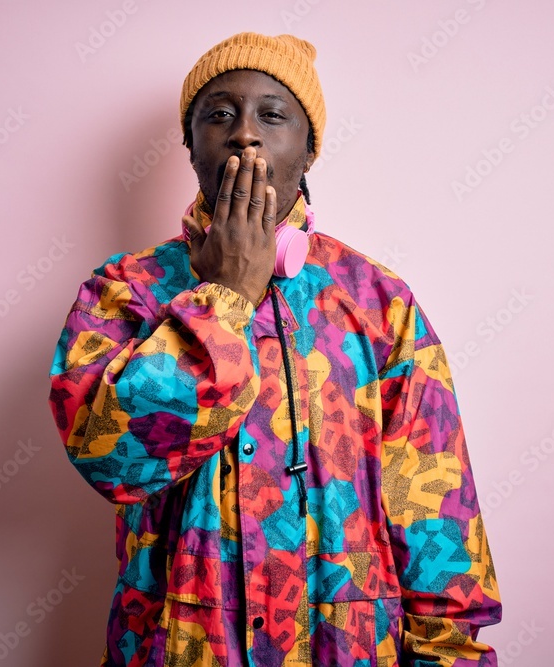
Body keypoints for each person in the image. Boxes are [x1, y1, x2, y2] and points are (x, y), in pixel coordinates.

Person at [48, 31, 501, 667]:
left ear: (309, 148)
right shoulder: (125, 293)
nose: (244, 134)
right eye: (219, 114)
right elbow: (109, 458)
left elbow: (436, 515)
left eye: (272, 114)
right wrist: (225, 296)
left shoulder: (380, 304)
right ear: (190, 144)